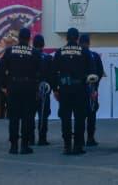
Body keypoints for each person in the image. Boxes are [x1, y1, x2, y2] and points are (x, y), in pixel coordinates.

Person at [2, 27, 43, 154]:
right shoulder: (35, 52)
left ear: (18, 38)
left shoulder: (9, 51)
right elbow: (40, 72)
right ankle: (25, 145)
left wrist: (4, 86)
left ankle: (13, 146)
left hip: (13, 86)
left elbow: (1, 69)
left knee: (13, 117)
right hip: (29, 88)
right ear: (29, 38)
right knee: (27, 117)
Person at [51, 27, 90, 155]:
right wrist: (91, 88)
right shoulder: (84, 52)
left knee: (65, 118)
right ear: (77, 38)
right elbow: (92, 72)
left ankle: (67, 146)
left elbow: (53, 72)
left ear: (66, 38)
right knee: (80, 118)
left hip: (65, 89)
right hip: (80, 89)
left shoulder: (59, 52)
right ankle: (78, 146)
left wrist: (55, 89)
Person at [80, 33, 103, 148]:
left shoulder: (76, 54)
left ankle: (80, 139)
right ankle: (90, 138)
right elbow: (99, 72)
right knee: (91, 114)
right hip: (91, 88)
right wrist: (95, 88)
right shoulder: (94, 55)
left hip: (79, 89)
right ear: (89, 43)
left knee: (80, 114)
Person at [33, 33, 52, 145]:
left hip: (31, 89)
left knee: (29, 115)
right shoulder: (48, 57)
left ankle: (29, 138)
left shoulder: (29, 56)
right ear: (43, 44)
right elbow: (52, 75)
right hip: (44, 89)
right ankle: (42, 138)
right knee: (43, 115)